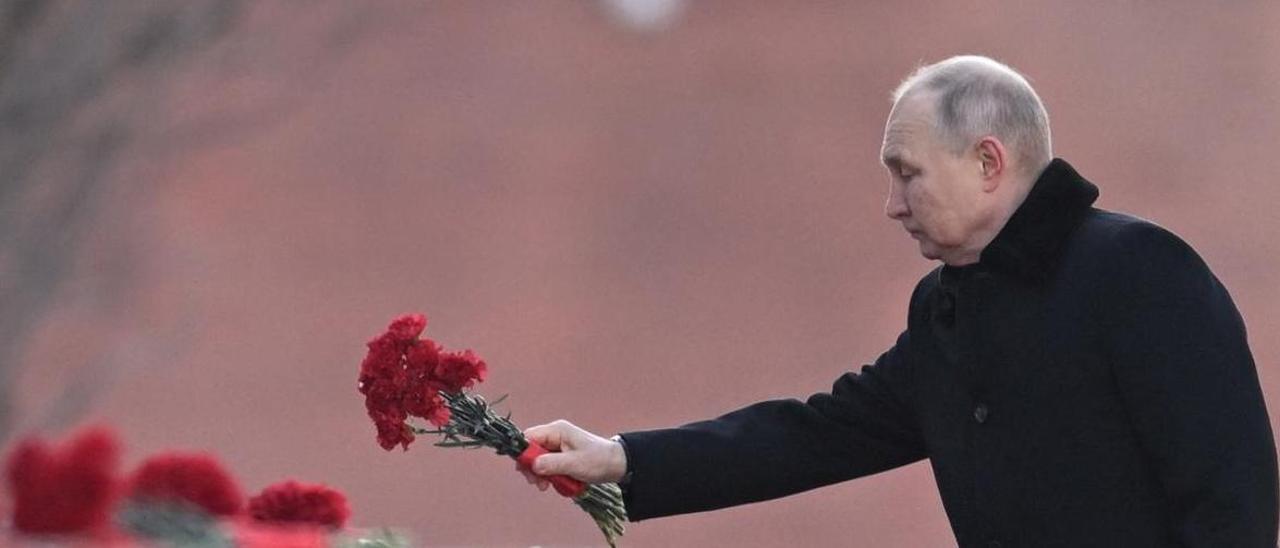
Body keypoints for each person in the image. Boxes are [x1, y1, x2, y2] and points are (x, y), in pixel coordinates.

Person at [519, 55, 1279, 546]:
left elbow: (1233, 503)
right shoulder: (947, 310)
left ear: (988, 161)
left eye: (907, 173)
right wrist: (621, 458)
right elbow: (815, 435)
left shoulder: (1138, 271)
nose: (892, 203)